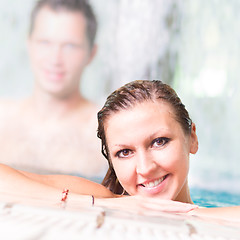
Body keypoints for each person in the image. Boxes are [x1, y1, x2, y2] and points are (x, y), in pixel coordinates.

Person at [0, 80, 239, 220]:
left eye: (159, 141)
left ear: (192, 139)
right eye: (124, 152)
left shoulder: (218, 215)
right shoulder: (104, 199)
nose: (145, 168)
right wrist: (104, 205)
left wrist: (193, 215)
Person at [0, 0, 107, 178]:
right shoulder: (2, 117)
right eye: (45, 42)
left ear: (91, 54)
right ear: (29, 44)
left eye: (70, 46)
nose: (55, 59)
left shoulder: (106, 132)